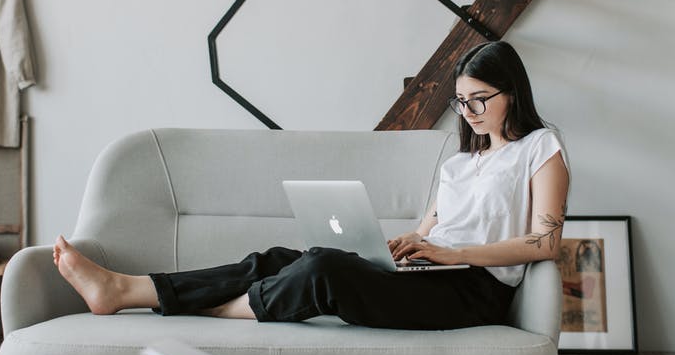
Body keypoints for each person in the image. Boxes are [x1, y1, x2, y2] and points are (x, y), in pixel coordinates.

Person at [53, 40, 570, 330]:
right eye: (461, 101)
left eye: (479, 98)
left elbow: (546, 243)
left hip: (471, 293)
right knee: (282, 257)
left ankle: (215, 308)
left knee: (322, 270)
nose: (469, 112)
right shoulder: (460, 163)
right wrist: (405, 246)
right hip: (427, 276)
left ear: (512, 92)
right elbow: (429, 230)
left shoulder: (541, 148)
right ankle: (123, 289)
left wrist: (454, 255)